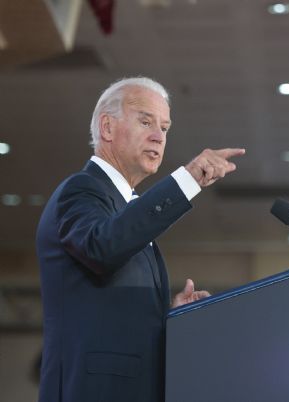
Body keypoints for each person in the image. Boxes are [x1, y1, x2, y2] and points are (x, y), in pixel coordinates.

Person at [36, 77, 245, 402]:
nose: (158, 136)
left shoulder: (126, 208)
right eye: (145, 121)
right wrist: (186, 181)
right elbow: (102, 248)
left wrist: (168, 314)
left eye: (164, 127)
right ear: (106, 127)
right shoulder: (82, 190)